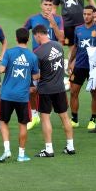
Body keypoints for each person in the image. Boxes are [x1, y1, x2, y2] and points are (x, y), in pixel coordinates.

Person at [32, 25, 75, 157]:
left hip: (45, 90)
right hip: (60, 88)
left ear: (38, 35)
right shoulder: (58, 46)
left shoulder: (37, 53)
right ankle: (70, 147)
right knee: (64, 116)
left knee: (45, 118)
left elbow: (36, 76)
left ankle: (49, 149)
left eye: (35, 37)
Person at [0, 28, 40, 163]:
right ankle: (21, 155)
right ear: (28, 39)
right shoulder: (33, 56)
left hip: (6, 95)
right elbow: (35, 76)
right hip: (22, 96)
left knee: (4, 122)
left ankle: (7, 150)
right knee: (22, 124)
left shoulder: (9, 53)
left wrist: (3, 63)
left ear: (16, 39)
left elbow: (1, 69)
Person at [23, 0, 64, 130]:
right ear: (41, 5)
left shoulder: (58, 19)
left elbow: (61, 38)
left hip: (52, 59)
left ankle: (52, 113)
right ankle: (35, 115)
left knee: (53, 88)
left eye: (50, 5)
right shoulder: (33, 19)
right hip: (37, 58)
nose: (48, 7)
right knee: (32, 89)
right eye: (45, 5)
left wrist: (53, 23)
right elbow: (23, 32)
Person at [68, 6, 96, 129]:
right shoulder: (78, 29)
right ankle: (74, 119)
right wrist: (71, 61)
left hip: (93, 67)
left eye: (89, 14)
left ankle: (93, 119)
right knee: (73, 92)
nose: (86, 16)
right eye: (84, 14)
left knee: (94, 93)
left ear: (93, 15)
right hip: (79, 66)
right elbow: (76, 46)